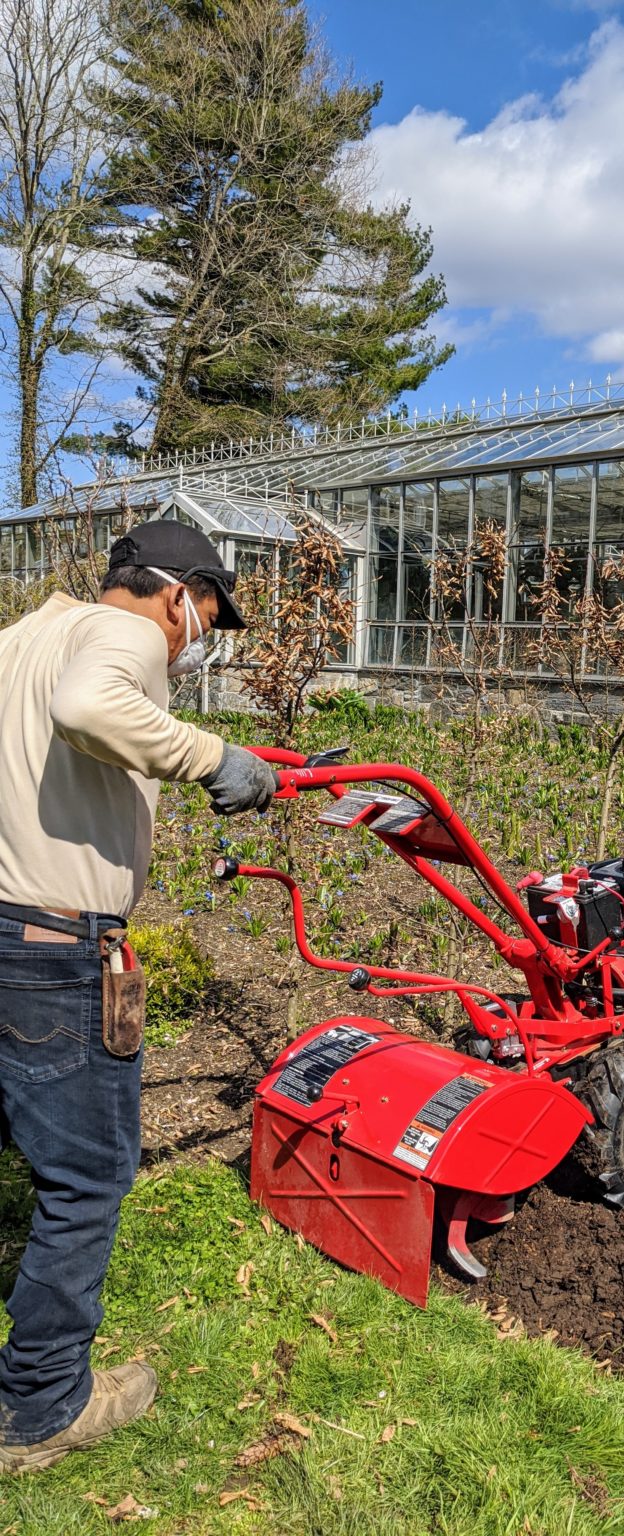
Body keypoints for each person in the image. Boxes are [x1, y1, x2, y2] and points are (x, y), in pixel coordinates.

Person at [0, 518, 278, 1473]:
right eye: (206, 614)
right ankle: (41, 1406)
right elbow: (90, 704)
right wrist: (213, 758)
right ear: (175, 595)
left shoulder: (23, 636)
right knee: (85, 1182)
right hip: (49, 945)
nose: (197, 635)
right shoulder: (122, 634)